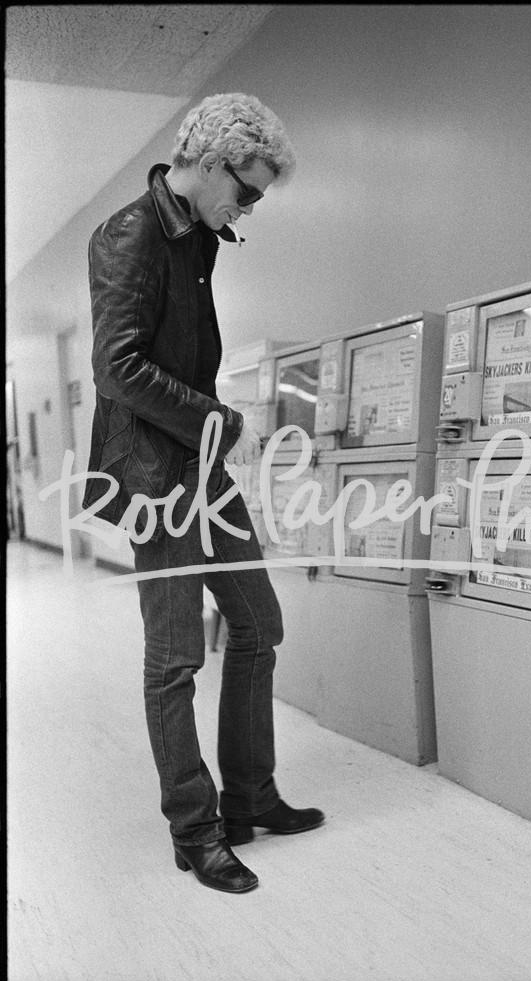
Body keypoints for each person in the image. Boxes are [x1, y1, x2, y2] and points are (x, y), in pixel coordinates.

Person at [83, 93, 324, 894]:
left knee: (258, 624)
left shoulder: (195, 236)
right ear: (213, 161)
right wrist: (215, 416)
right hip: (159, 476)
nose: (247, 208)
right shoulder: (132, 235)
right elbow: (117, 368)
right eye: (246, 191)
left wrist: (210, 430)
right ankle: (195, 830)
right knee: (177, 656)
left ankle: (250, 797)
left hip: (202, 466)